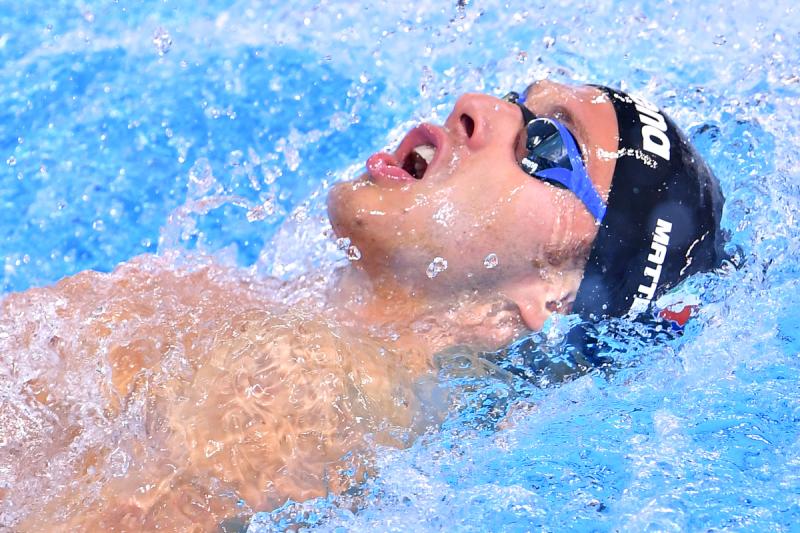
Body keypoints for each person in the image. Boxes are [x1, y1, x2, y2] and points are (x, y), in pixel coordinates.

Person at [0, 80, 726, 531]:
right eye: (515, 99)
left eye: (544, 143)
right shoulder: (229, 296)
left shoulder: (313, 392)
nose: (476, 108)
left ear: (546, 298)